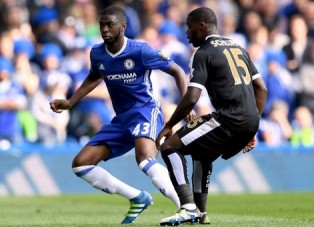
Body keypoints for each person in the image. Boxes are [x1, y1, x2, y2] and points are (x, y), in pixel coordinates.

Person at [50, 5, 193, 225]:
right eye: (101, 25)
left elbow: (177, 71)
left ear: (123, 27)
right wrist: (70, 102)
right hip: (121, 119)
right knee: (81, 164)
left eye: (110, 24)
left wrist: (187, 105)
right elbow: (94, 76)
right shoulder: (97, 52)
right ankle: (137, 198)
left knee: (145, 159)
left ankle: (187, 207)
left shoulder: (140, 50)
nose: (104, 29)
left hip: (145, 111)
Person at [155, 7, 267, 226]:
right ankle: (201, 212)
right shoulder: (238, 48)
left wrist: (170, 124)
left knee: (169, 146)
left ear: (202, 26)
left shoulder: (204, 53)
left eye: (189, 26)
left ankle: (187, 207)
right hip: (249, 120)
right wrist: (252, 123)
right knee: (202, 153)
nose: (187, 32)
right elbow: (261, 88)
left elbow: (192, 97)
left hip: (228, 119)